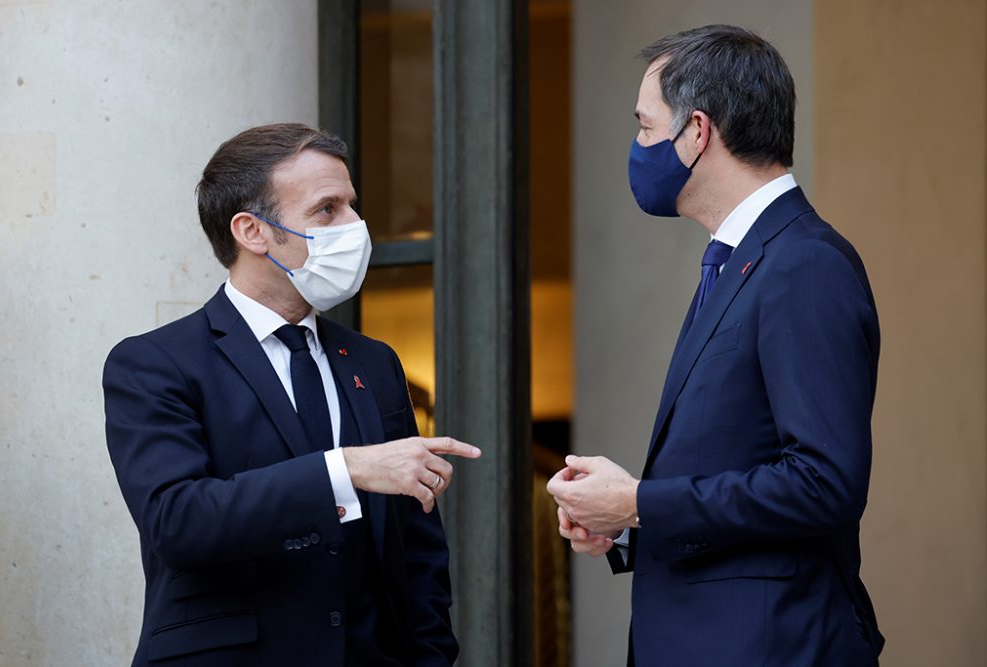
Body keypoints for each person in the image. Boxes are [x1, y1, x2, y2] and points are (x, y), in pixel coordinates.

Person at [547, 25, 883, 666]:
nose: (638, 147)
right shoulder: (743, 262)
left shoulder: (803, 263)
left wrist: (639, 502)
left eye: (646, 128)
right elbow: (739, 470)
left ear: (697, 133)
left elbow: (822, 484)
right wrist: (627, 527)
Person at [103, 123, 480, 666]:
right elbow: (176, 520)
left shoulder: (374, 363)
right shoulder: (155, 363)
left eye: (353, 205)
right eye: (327, 210)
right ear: (252, 231)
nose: (354, 225)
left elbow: (417, 550)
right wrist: (342, 470)